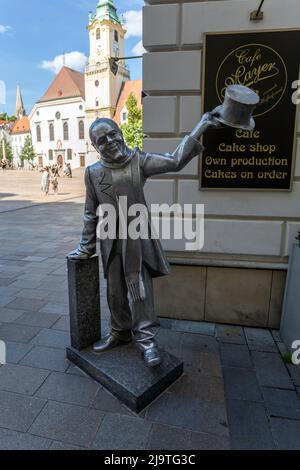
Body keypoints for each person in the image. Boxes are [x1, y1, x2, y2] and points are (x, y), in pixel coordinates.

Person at [68, 113, 221, 367]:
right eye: (102, 140)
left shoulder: (138, 162)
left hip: (136, 238)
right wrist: (86, 246)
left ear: (121, 132)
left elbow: (174, 160)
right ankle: (120, 331)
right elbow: (89, 211)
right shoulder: (93, 172)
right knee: (115, 291)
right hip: (110, 240)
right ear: (95, 147)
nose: (111, 142)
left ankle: (147, 340)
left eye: (113, 134)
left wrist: (201, 125)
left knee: (139, 290)